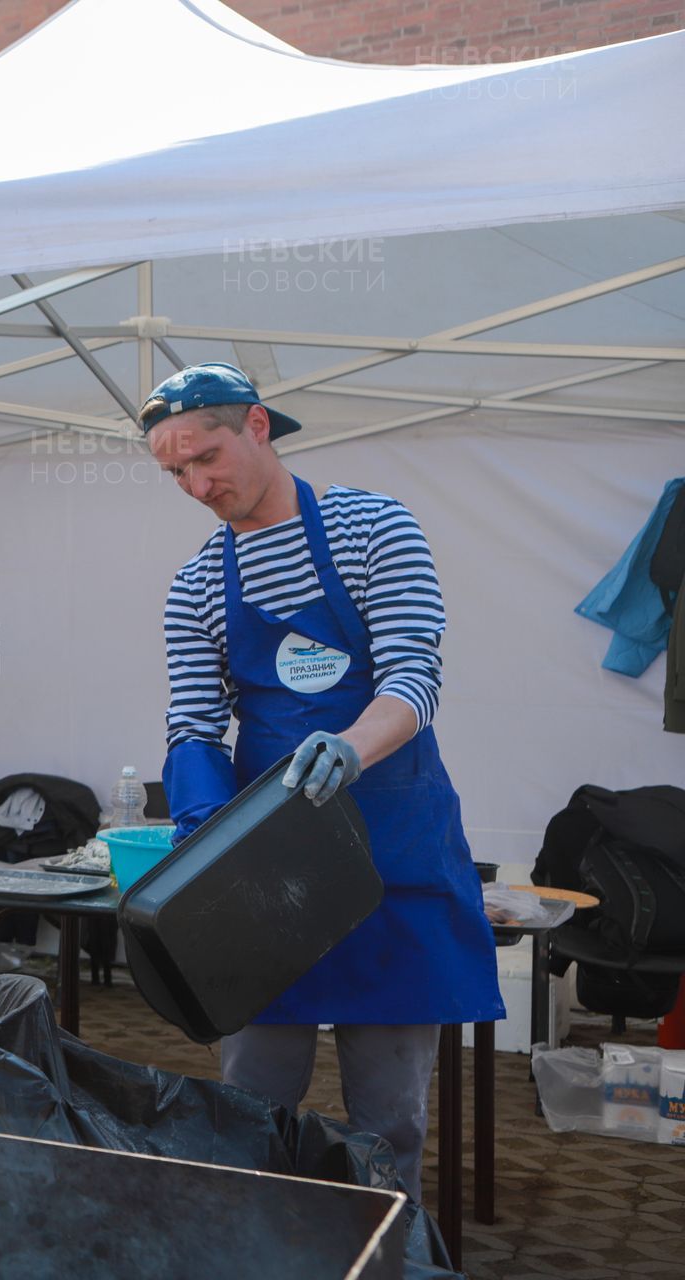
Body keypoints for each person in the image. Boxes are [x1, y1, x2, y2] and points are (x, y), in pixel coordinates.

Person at [141, 362, 502, 1197]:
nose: (197, 484)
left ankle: (384, 1250)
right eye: (175, 472)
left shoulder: (374, 530)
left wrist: (350, 747)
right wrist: (203, 832)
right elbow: (194, 726)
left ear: (259, 426)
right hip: (270, 877)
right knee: (252, 1107)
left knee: (391, 1118)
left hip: (394, 857)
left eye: (207, 456)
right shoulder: (197, 583)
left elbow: (413, 678)